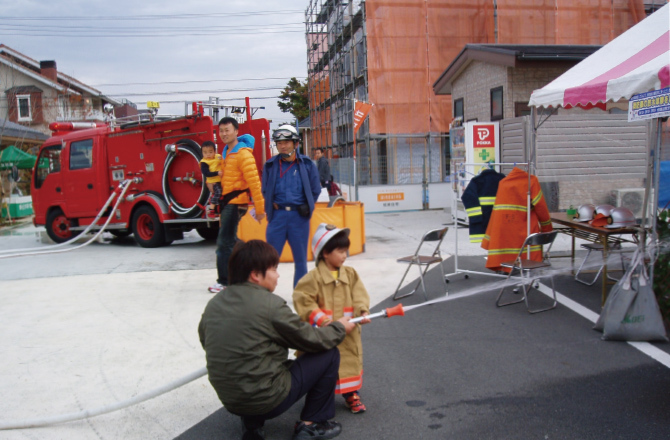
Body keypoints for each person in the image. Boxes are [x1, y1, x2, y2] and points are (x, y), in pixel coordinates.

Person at [199, 240, 356, 440]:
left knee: (248, 363)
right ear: (255, 275)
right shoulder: (270, 305)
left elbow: (207, 342)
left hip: (230, 400)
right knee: (329, 353)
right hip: (266, 399)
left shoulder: (214, 305)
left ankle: (251, 426)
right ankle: (312, 424)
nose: (278, 275)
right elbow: (310, 340)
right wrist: (339, 327)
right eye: (274, 269)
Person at [293, 223, 371, 414]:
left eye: (346, 251)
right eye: (340, 251)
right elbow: (303, 299)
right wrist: (321, 320)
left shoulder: (351, 274)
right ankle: (318, 399)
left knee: (349, 362)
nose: (345, 255)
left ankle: (352, 394)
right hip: (322, 333)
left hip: (348, 331)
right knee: (321, 366)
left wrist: (362, 311)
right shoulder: (312, 278)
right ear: (325, 253)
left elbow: (359, 294)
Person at [209, 117, 265, 294]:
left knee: (223, 242)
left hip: (236, 203)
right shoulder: (226, 152)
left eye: (227, 130)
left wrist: (260, 209)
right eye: (221, 131)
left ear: (236, 131)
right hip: (228, 202)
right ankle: (253, 261)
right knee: (230, 240)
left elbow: (255, 183)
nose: (224, 134)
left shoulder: (243, 154)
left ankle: (224, 281)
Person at [262, 125, 321, 287]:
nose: (282, 145)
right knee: (270, 258)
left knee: (301, 260)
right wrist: (271, 204)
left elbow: (315, 189)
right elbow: (265, 189)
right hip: (277, 217)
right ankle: (266, 292)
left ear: (295, 143)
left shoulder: (307, 165)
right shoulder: (270, 165)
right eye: (279, 142)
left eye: (287, 142)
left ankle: (300, 295)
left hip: (299, 218)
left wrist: (307, 205)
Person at [199, 141, 223, 218]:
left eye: (210, 152)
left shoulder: (218, 157)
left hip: (221, 180)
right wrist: (217, 173)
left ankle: (218, 209)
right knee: (218, 192)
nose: (208, 154)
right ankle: (211, 209)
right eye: (205, 152)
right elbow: (206, 173)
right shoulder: (204, 162)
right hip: (213, 182)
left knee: (223, 195)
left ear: (215, 151)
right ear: (202, 153)